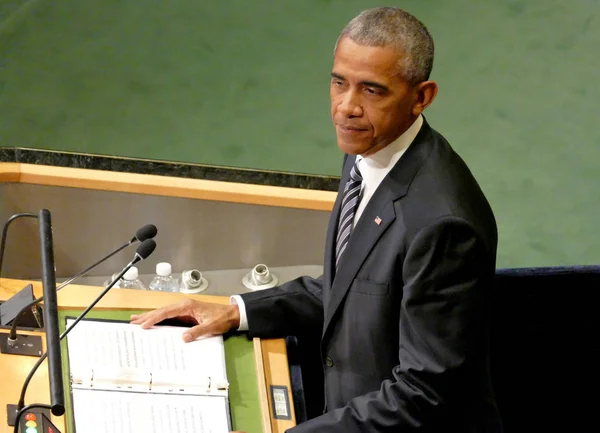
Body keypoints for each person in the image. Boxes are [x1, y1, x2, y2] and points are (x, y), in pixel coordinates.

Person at [131, 7, 503, 432]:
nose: (347, 107)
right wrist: (238, 311)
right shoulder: (368, 151)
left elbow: (424, 395)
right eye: (338, 82)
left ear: (421, 97)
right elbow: (352, 286)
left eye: (372, 91)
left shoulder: (443, 224)